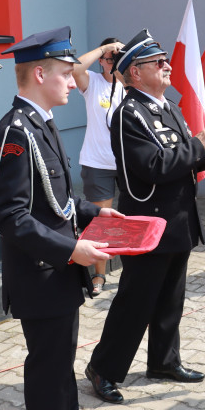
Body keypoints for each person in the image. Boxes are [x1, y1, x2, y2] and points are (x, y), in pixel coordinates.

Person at [0, 26, 121, 410]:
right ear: (39, 73)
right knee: (47, 365)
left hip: (59, 272)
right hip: (40, 275)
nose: (72, 80)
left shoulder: (41, 120)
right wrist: (72, 248)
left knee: (63, 359)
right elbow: (8, 215)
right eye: (66, 73)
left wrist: (99, 215)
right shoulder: (16, 132)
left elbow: (57, 200)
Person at [85, 29, 205, 403]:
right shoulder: (128, 114)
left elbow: (182, 160)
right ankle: (103, 368)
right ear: (135, 73)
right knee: (136, 301)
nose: (167, 66)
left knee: (171, 298)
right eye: (157, 63)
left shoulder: (169, 106)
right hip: (149, 222)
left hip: (177, 218)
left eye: (165, 61)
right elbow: (153, 166)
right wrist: (198, 145)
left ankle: (163, 361)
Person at [72, 37, 126, 296]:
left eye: (116, 57)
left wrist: (121, 62)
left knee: (130, 218)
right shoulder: (92, 82)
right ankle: (99, 275)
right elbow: (74, 68)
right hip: (97, 163)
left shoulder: (129, 82)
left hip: (128, 163)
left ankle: (134, 267)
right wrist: (103, 49)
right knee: (101, 223)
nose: (110, 62)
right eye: (107, 58)